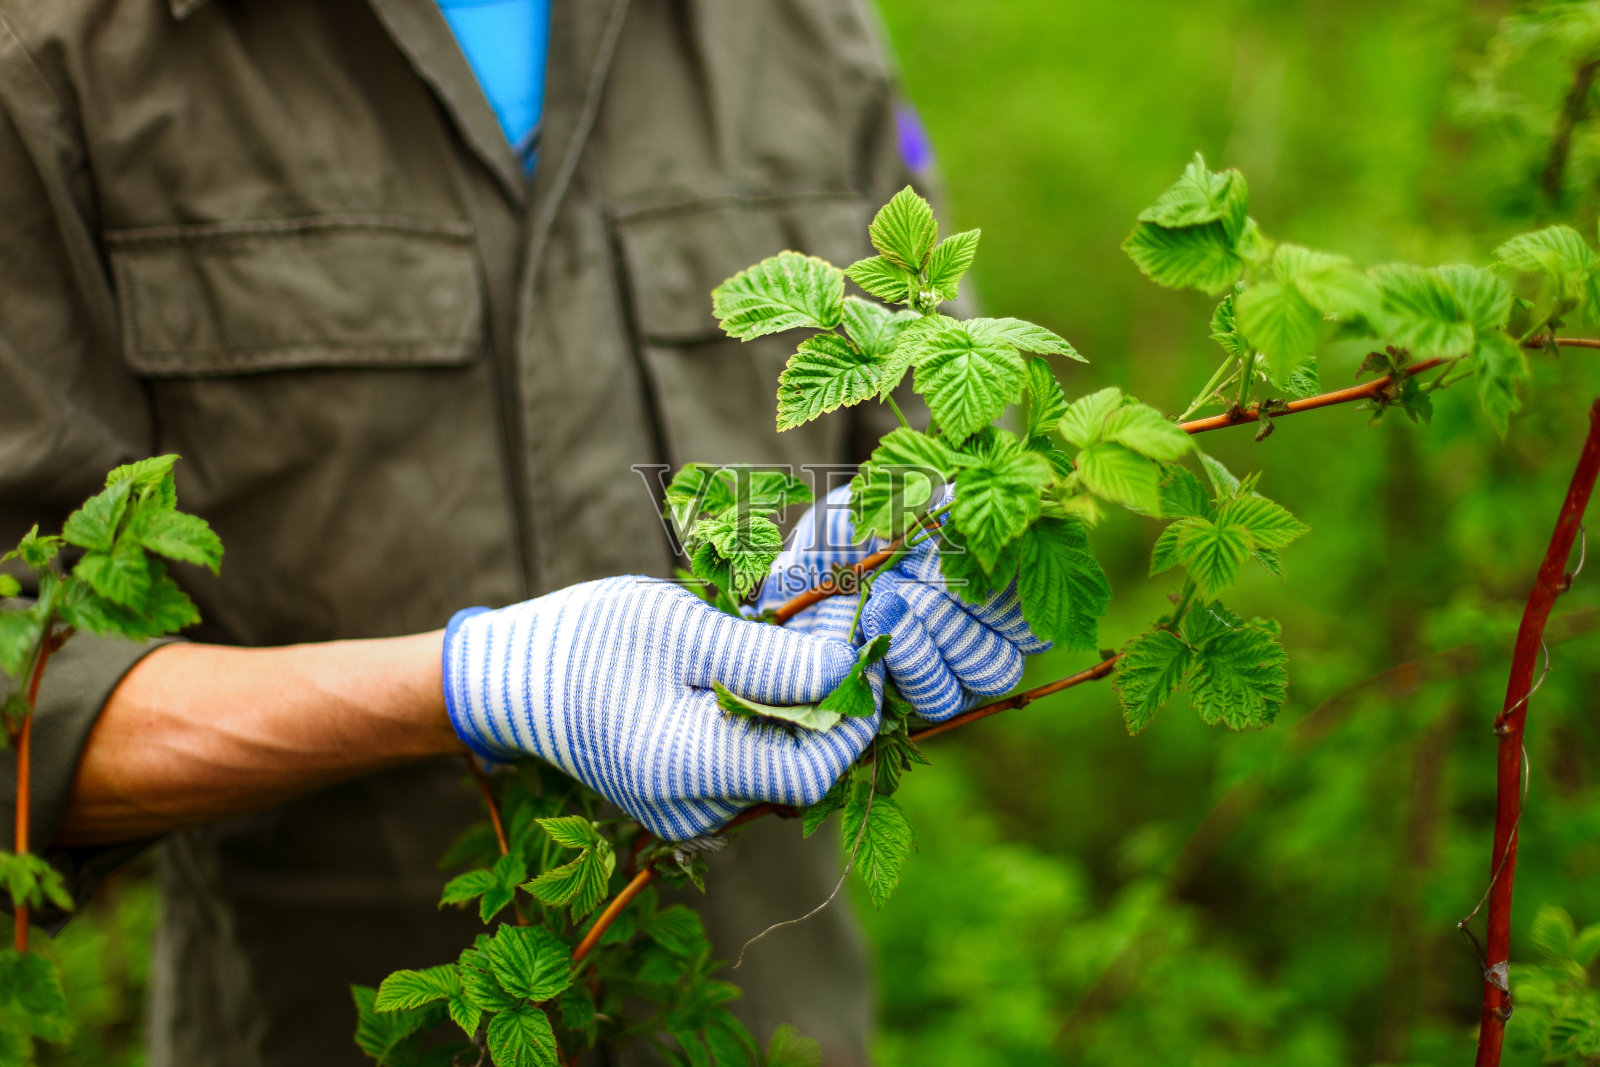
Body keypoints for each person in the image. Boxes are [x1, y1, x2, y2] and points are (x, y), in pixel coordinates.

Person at [0, 1, 1046, 1063]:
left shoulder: (800, 23)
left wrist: (950, 545)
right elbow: (20, 690)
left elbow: (957, 449)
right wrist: (468, 686)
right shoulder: (61, 48)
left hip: (765, 1018)